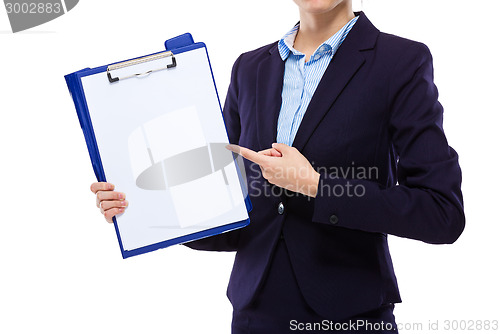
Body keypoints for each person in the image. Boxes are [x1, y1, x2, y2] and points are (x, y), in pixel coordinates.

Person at [90, 0, 465, 332]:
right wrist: (141, 207)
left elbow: (441, 213)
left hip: (350, 318)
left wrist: (317, 186)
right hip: (255, 316)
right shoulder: (250, 69)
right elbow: (232, 219)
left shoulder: (400, 62)